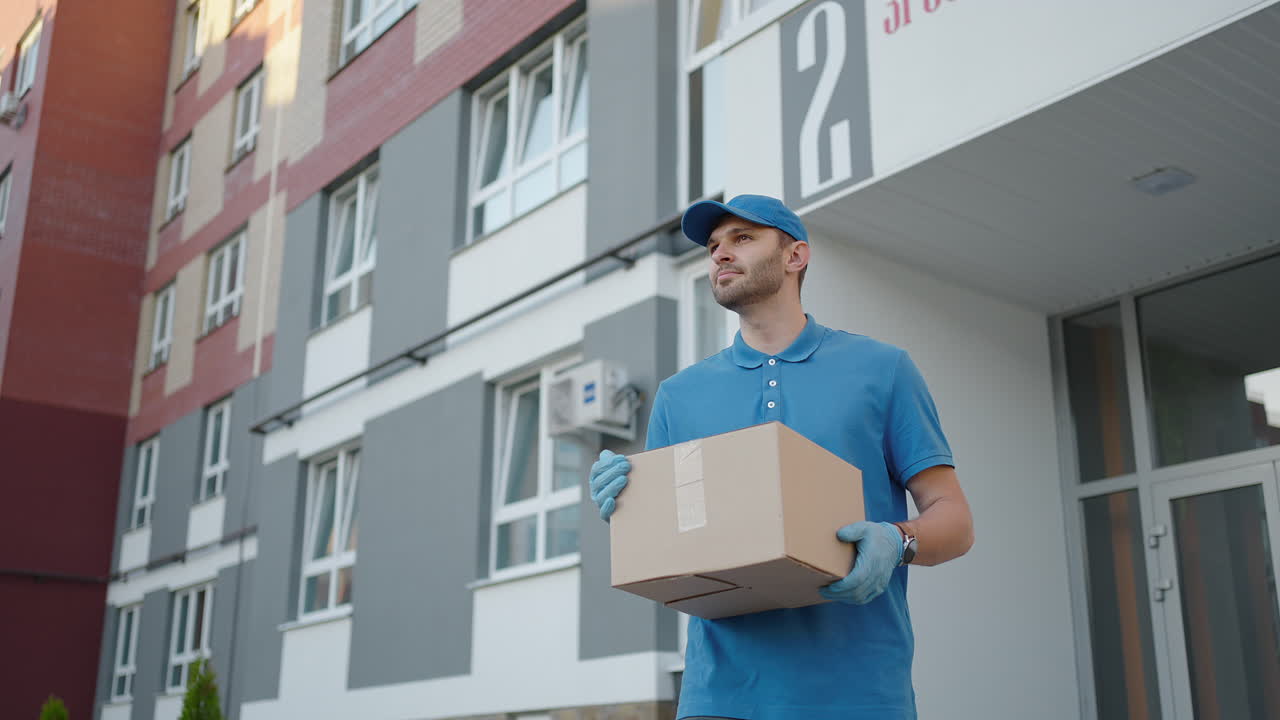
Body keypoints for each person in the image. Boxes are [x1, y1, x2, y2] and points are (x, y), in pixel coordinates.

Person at [587, 195, 975, 720]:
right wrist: (628, 503)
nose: (721, 253)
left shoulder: (882, 370)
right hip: (719, 699)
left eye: (743, 238)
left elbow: (954, 520)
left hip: (860, 695)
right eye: (714, 245)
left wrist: (898, 539)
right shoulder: (680, 394)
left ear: (795, 257)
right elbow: (671, 550)